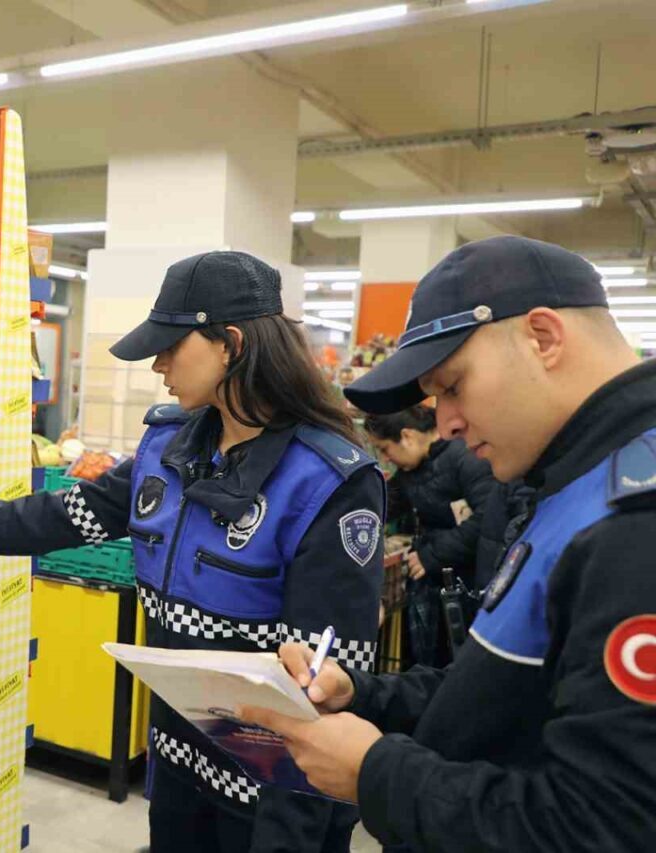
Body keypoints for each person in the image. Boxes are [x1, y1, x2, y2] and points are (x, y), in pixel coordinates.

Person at [0, 251, 384, 853]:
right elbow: (57, 516)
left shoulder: (328, 482)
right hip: (178, 771)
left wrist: (291, 833)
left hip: (271, 798)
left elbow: (328, 683)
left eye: (171, 346)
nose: (158, 365)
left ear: (231, 344)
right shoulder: (170, 449)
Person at [239, 235, 656, 851]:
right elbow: (501, 694)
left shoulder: (636, 525)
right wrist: (362, 692)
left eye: (453, 386)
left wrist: (378, 775)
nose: (446, 423)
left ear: (543, 337)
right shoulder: (572, 482)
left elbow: (607, 826)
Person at [364, 405, 496, 663]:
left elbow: (489, 517)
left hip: (469, 585)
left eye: (384, 448)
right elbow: (383, 505)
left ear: (407, 436)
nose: (386, 458)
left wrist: (432, 555)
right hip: (439, 584)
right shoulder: (413, 471)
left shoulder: (465, 458)